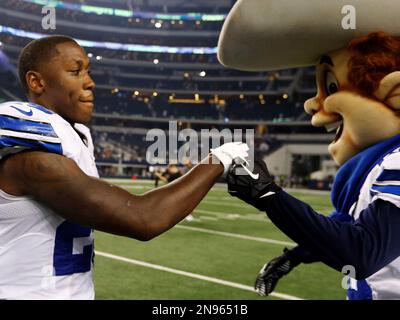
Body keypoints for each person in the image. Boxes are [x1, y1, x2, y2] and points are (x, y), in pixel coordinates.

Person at [0, 35, 249, 299]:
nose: (90, 82)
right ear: (37, 82)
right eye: (75, 72)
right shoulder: (34, 158)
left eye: (88, 71)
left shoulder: (74, 138)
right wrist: (220, 157)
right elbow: (144, 218)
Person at [219, 0, 400, 299]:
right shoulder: (381, 162)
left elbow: (364, 253)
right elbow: (350, 225)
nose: (312, 106)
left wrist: (268, 195)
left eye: (331, 88)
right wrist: (293, 256)